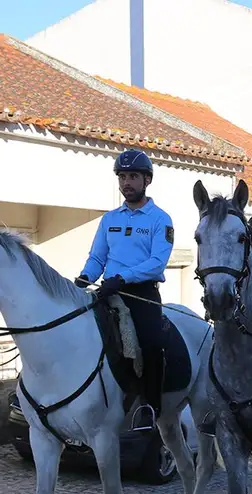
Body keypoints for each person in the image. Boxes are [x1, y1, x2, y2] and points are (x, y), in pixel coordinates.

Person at [75, 148, 174, 431]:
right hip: (109, 291)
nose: (126, 182)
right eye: (122, 177)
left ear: (147, 180)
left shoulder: (160, 219)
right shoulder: (109, 219)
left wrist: (123, 277)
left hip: (141, 294)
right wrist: (84, 278)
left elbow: (157, 263)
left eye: (133, 177)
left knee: (152, 344)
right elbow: (97, 258)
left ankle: (150, 407)